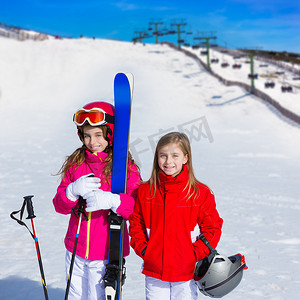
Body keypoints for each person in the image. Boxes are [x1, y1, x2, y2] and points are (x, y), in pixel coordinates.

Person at [53, 101, 141, 300]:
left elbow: (137, 207)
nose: (92, 142)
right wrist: (71, 191)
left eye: (98, 135)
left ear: (110, 134)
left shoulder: (124, 167)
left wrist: (113, 201)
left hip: (105, 251)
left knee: (96, 296)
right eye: (87, 135)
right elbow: (59, 205)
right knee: (74, 295)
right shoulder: (76, 163)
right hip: (75, 248)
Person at [129, 132, 223, 300]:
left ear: (185, 158)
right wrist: (145, 250)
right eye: (163, 155)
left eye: (175, 155)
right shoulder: (146, 191)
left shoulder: (199, 193)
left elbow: (213, 228)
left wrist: (194, 254)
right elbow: (136, 224)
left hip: (185, 273)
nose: (168, 161)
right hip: (154, 270)